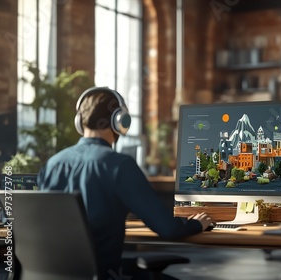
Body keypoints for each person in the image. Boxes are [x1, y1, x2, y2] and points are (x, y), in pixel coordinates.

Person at [38, 86, 213, 279]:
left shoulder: (51, 165)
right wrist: (196, 223)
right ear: (120, 121)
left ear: (79, 122)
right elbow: (168, 228)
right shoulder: (118, 165)